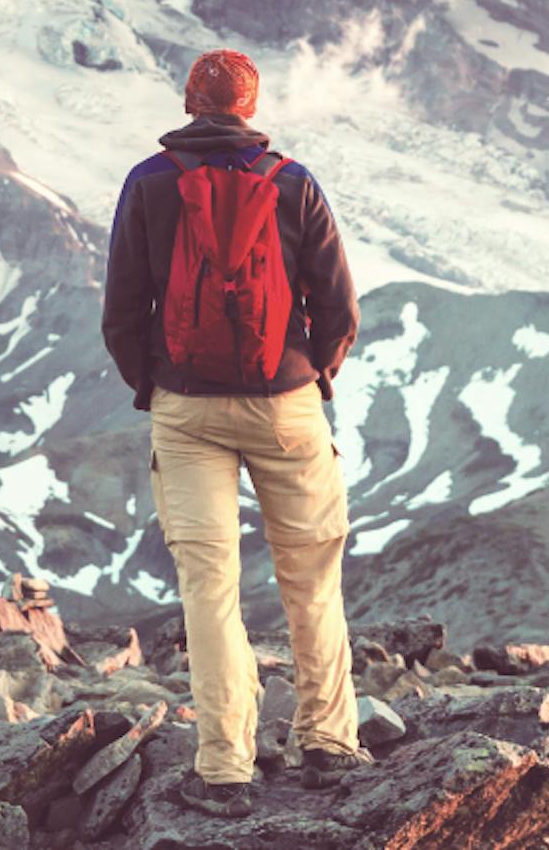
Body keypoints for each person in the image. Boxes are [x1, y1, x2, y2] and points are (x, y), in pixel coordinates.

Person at [101, 48, 366, 818]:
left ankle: (224, 768)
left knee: (209, 590)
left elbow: (123, 309)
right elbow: (338, 306)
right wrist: (312, 377)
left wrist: (155, 384)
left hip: (186, 411)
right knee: (312, 579)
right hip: (286, 403)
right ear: (250, 108)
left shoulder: (149, 184)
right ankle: (329, 743)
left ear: (190, 103)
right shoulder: (292, 182)